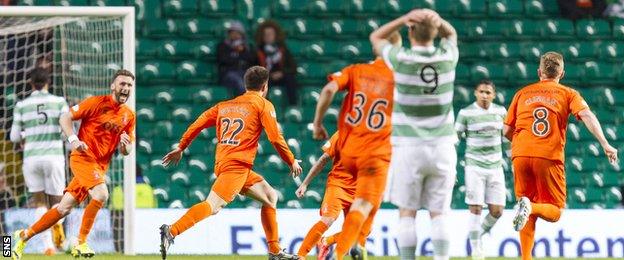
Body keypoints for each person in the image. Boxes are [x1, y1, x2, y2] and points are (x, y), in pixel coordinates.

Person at [159, 66, 303, 260]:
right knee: (213, 206)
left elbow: (198, 123)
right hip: (237, 166)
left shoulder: (224, 106)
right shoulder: (262, 104)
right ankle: (172, 231)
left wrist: (182, 146)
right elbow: (275, 138)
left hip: (229, 164)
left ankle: (275, 251)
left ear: (246, 85)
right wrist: (291, 160)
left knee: (270, 196)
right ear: (265, 86)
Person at [11, 69, 136, 260]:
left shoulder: (129, 116)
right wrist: (73, 139)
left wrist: (125, 146)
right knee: (102, 194)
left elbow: (126, 151)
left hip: (98, 166)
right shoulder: (95, 103)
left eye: (129, 85)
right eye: (122, 84)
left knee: (62, 208)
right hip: (82, 158)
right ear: (113, 85)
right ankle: (80, 242)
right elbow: (64, 117)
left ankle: (21, 237)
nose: (125, 88)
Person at [504, 51, 618, 260]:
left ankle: (526, 257)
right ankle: (531, 207)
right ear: (562, 73)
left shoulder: (522, 93)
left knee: (525, 207)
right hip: (548, 156)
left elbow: (505, 130)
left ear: (539, 72)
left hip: (520, 155)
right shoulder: (567, 93)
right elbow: (587, 115)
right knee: (555, 211)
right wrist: (605, 143)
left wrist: (523, 144)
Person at [371, 9, 459, 260]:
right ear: (435, 33)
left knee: (407, 212)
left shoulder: (401, 59)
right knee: (439, 213)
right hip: (443, 145)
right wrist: (434, 19)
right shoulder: (447, 57)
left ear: (410, 32)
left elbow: (376, 38)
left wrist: (404, 18)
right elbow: (451, 33)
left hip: (408, 146)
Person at [312, 28, 401, 260]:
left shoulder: (357, 71)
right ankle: (346, 251)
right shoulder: (398, 78)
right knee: (365, 215)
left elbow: (330, 88)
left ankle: (334, 244)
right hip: (375, 154)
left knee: (363, 217)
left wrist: (317, 123)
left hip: (351, 151)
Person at [9, 67, 69, 255]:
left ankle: (48, 246)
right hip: (53, 155)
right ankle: (58, 226)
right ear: (48, 82)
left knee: (39, 202)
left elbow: (14, 137)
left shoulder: (21, 105)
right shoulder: (59, 102)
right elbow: (66, 129)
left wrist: (28, 133)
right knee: (58, 202)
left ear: (30, 83)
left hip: (32, 157)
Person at [455, 80, 509, 260]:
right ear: (475, 93)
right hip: (474, 166)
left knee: (497, 211)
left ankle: (477, 235)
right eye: (481, 92)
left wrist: (514, 161)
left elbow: (508, 139)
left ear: (494, 95)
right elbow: (455, 140)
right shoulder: (466, 113)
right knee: (476, 207)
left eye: (488, 92)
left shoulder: (501, 112)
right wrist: (451, 166)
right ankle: (476, 250)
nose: (485, 95)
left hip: (495, 167)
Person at [295, 132, 370, 260]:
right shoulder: (342, 134)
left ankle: (327, 241)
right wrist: (305, 184)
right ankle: (301, 256)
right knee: (328, 220)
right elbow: (323, 159)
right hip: (338, 185)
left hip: (358, 190)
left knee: (363, 231)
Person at [255, 20, 299, 106]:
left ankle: (293, 105)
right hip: (266, 78)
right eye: (266, 34)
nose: (268, 36)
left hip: (282, 76)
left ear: (275, 36)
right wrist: (268, 75)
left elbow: (293, 67)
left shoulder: (283, 50)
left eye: (270, 34)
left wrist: (282, 73)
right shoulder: (258, 52)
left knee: (290, 79)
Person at [217, 20, 258, 97]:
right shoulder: (223, 46)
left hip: (244, 72)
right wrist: (236, 53)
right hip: (228, 73)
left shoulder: (247, 47)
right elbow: (223, 60)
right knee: (240, 83)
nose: (235, 35)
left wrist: (242, 52)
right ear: (229, 34)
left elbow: (251, 60)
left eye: (238, 33)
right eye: (233, 32)